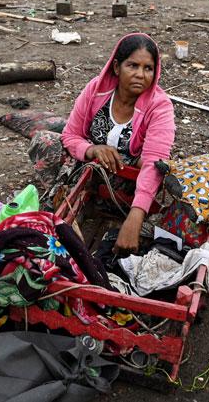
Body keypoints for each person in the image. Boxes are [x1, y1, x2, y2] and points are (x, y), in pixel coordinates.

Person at [61, 33, 176, 254]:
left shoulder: (160, 106)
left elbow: (154, 162)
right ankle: (79, 196)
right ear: (116, 67)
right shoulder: (96, 90)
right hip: (91, 164)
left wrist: (135, 217)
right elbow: (70, 135)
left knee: (152, 166)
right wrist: (92, 149)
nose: (140, 75)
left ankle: (115, 205)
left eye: (148, 68)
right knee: (45, 141)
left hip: (127, 177)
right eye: (132, 65)